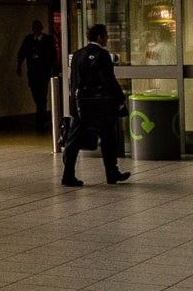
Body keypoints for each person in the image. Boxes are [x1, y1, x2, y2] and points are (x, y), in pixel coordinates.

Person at [62, 23, 130, 187]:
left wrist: (74, 103)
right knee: (108, 138)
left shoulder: (78, 54)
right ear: (100, 37)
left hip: (80, 105)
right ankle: (111, 173)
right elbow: (108, 80)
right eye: (105, 35)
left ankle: (68, 175)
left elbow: (74, 81)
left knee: (73, 141)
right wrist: (120, 98)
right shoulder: (102, 54)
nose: (107, 38)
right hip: (100, 106)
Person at [16, 19, 59, 125]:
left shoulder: (48, 40)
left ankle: (41, 115)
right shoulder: (28, 40)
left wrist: (54, 68)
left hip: (44, 71)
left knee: (42, 93)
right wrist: (19, 66)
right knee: (35, 92)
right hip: (33, 72)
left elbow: (53, 55)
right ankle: (41, 111)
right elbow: (22, 54)